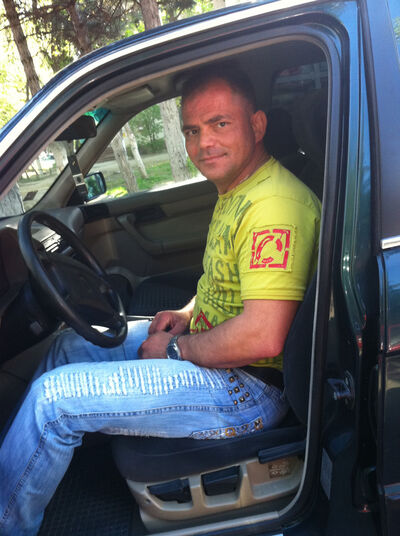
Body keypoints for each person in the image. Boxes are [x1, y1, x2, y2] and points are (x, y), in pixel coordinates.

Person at [0, 66, 321, 535]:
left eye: (220, 124)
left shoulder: (274, 206)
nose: (204, 143)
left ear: (257, 125)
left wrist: (174, 349)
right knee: (68, 347)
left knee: (53, 402)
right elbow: (223, 281)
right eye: (192, 130)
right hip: (220, 358)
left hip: (247, 389)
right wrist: (187, 314)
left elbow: (262, 335)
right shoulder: (240, 189)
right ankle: (33, 466)